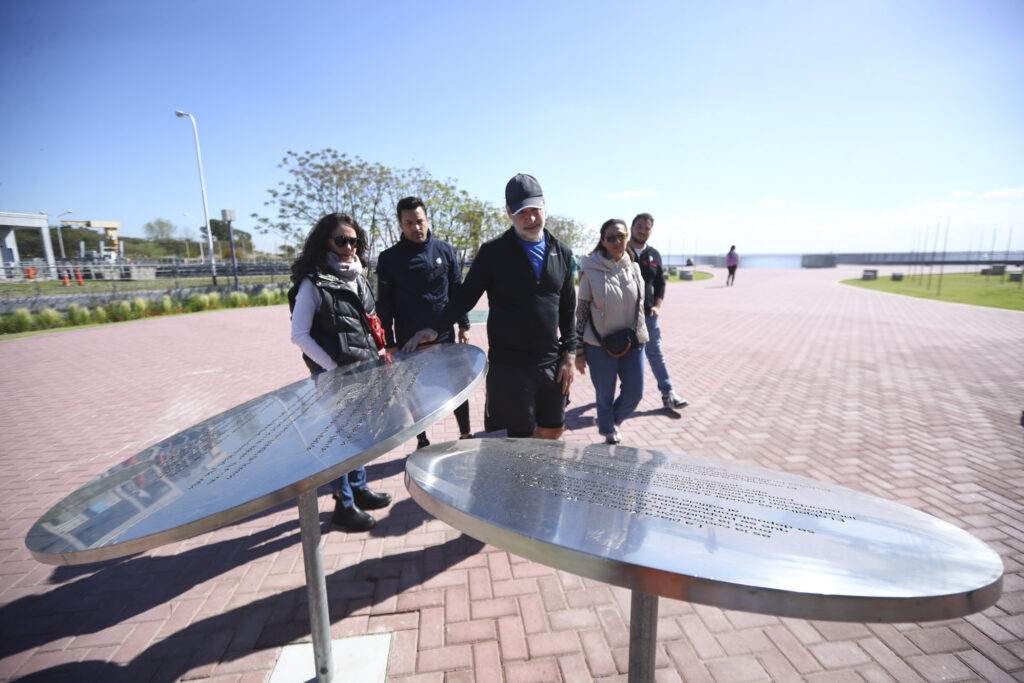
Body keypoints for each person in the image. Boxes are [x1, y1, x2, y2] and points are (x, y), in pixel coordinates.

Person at [402, 173, 577, 439]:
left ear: (544, 204)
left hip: (550, 363)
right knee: (513, 440)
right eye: (521, 213)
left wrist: (570, 354)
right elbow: (464, 298)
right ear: (509, 211)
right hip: (509, 367)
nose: (530, 219)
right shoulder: (494, 252)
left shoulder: (562, 252)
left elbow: (567, 309)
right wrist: (435, 328)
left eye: (535, 211)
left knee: (553, 430)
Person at [288, 213, 393, 532]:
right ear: (325, 242)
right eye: (341, 240)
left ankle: (359, 489)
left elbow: (368, 320)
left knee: (359, 434)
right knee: (340, 441)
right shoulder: (313, 282)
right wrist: (333, 368)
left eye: (354, 241)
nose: (349, 247)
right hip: (335, 378)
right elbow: (299, 335)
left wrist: (379, 352)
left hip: (365, 372)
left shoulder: (357, 275)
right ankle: (343, 504)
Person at [376, 196, 473, 448]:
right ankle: (422, 439)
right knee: (415, 392)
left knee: (457, 385)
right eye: (409, 223)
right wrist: (389, 342)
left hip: (444, 337)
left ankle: (465, 434)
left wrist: (463, 325)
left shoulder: (445, 250)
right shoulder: (389, 259)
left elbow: (457, 291)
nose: (415, 228)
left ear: (427, 220)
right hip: (409, 341)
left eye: (419, 221)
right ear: (400, 224)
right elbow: (384, 304)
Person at [574, 219, 649, 444]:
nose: (617, 241)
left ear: (627, 238)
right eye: (611, 238)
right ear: (603, 242)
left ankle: (608, 420)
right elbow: (582, 312)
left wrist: (643, 335)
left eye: (621, 236)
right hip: (600, 345)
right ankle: (608, 429)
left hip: (632, 341)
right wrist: (579, 350)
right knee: (604, 394)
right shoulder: (589, 269)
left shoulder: (634, 267)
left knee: (635, 393)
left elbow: (641, 306)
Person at [628, 213, 689, 410]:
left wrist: (658, 305)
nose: (642, 231)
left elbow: (660, 283)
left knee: (656, 354)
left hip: (648, 316)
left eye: (646, 228)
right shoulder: (619, 249)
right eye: (639, 226)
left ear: (650, 231)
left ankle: (668, 393)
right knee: (622, 356)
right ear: (631, 227)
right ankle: (619, 396)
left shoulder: (654, 254)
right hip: (623, 316)